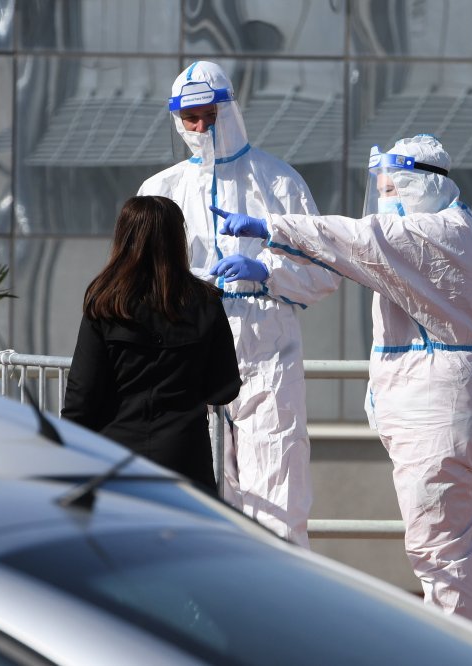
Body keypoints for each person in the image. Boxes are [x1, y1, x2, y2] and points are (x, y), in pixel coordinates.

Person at [213, 134, 472, 628]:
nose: (383, 201)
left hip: (437, 411)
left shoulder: (421, 235)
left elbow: (353, 239)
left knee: (439, 555)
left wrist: (270, 228)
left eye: (388, 189)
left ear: (415, 185)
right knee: (458, 548)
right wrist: (465, 319)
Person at [138, 61, 340, 546]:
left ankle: (280, 592)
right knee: (202, 492)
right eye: (190, 119)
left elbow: (324, 270)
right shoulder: (160, 191)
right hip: (188, 348)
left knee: (278, 488)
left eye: (209, 116)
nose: (200, 128)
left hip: (266, 350)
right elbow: (139, 280)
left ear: (229, 110)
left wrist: (267, 272)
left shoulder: (278, 182)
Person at [62, 195, 241, 494]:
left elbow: (82, 395)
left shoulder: (104, 303)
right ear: (176, 239)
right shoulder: (206, 302)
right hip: (184, 458)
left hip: (114, 457)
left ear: (124, 237)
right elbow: (224, 389)